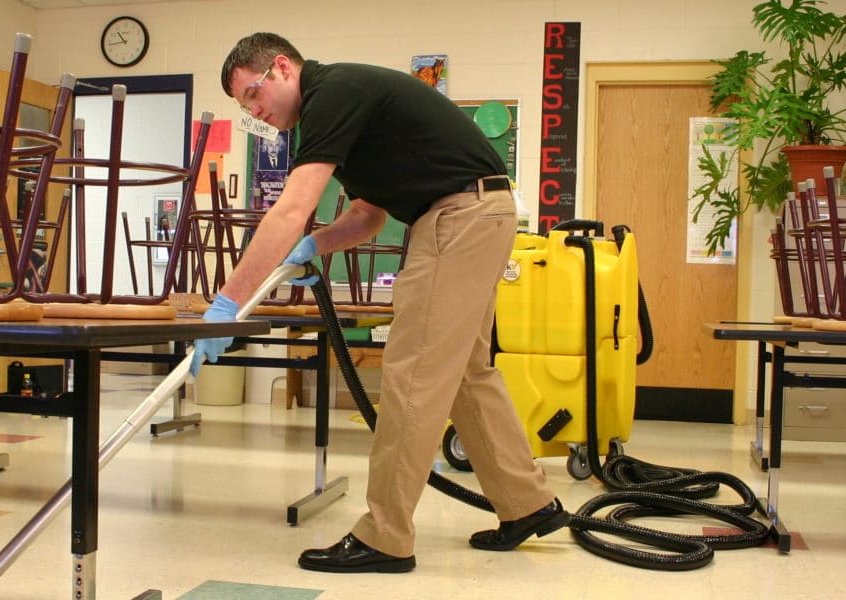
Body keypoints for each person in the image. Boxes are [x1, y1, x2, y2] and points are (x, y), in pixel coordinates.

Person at [191, 32, 568, 574]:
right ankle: (527, 505)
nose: (254, 111)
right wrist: (317, 244)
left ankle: (385, 536)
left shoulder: (332, 93)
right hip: (480, 210)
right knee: (465, 371)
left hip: (458, 216)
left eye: (253, 94)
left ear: (281, 68)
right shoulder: (341, 105)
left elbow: (291, 207)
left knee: (413, 374)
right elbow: (368, 215)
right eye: (242, 106)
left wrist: (228, 301)